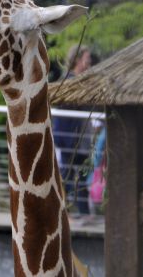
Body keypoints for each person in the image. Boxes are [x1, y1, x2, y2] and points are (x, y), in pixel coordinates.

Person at [53, 45, 94, 220]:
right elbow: (66, 115)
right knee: (69, 175)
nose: (89, 63)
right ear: (78, 60)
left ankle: (83, 213)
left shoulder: (80, 82)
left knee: (79, 176)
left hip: (79, 139)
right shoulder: (68, 82)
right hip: (70, 139)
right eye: (87, 59)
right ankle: (61, 211)